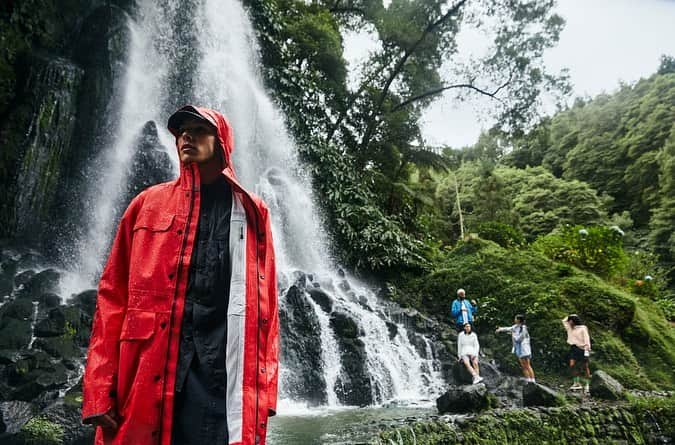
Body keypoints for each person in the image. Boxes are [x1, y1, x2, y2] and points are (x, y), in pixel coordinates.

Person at [81, 105, 279, 445]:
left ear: (221, 142)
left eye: (199, 129)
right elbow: (112, 297)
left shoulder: (250, 211)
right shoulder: (145, 204)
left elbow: (266, 311)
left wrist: (264, 395)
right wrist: (99, 390)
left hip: (217, 379)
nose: (187, 135)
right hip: (145, 373)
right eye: (182, 130)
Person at [496, 314, 535, 383]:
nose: (514, 320)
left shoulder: (524, 328)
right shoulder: (515, 327)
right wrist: (500, 329)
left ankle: (532, 379)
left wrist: (513, 335)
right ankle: (528, 379)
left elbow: (520, 339)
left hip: (524, 349)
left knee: (527, 365)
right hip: (519, 348)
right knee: (523, 365)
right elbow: (508, 328)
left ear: (519, 320)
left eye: (516, 318)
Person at [562, 314, 591, 392]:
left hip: (582, 349)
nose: (569, 322)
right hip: (573, 348)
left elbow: (587, 340)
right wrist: (570, 316)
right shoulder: (569, 328)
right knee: (572, 365)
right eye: (569, 321)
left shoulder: (583, 328)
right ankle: (577, 383)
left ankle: (587, 384)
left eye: (570, 321)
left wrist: (586, 352)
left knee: (585, 367)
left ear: (574, 321)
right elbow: (563, 321)